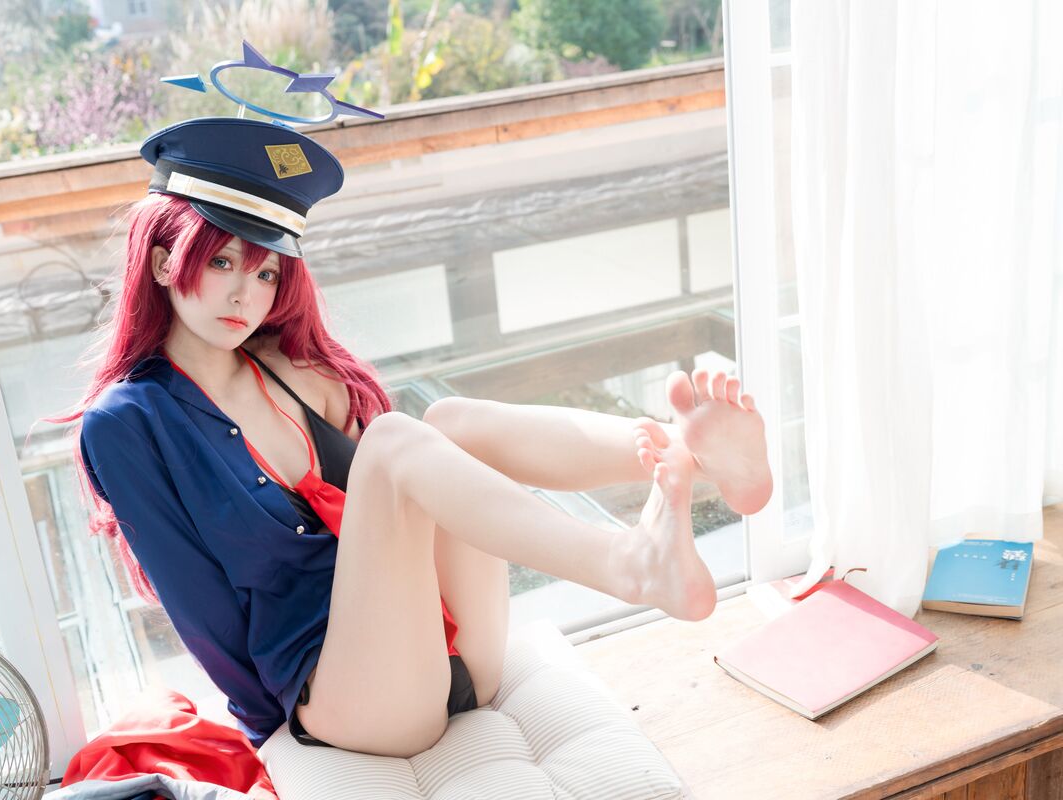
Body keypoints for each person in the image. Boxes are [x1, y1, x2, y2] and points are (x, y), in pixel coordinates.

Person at [57, 116, 774, 759]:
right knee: (397, 442)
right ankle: (629, 565)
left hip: (452, 653)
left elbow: (411, 512)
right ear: (163, 262)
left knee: (452, 423)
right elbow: (204, 618)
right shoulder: (128, 423)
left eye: (266, 270)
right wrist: (280, 747)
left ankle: (697, 457)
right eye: (220, 261)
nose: (246, 293)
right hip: (348, 700)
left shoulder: (291, 369)